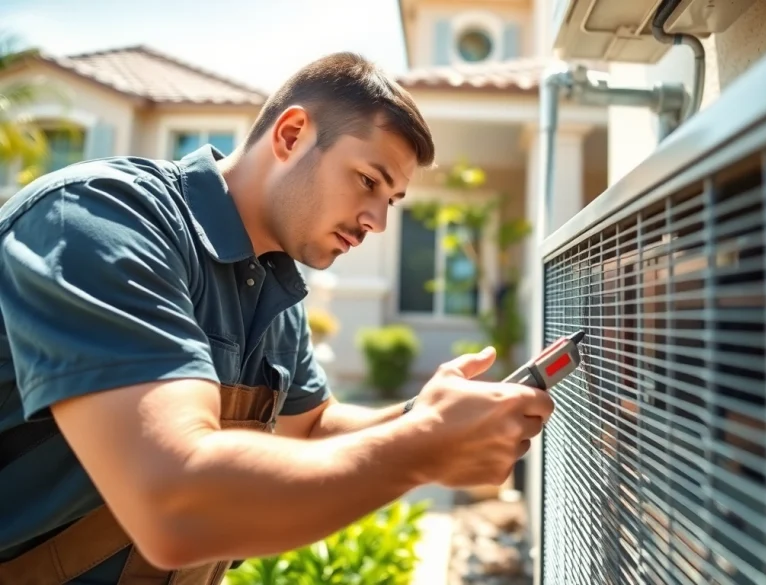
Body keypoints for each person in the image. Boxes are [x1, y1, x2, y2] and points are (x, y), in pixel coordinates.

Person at [0, 52, 554, 584]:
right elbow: (174, 501)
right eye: (367, 180)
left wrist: (424, 414)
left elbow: (309, 431)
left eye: (393, 199)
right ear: (291, 135)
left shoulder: (271, 281)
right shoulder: (101, 221)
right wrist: (425, 445)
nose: (377, 222)